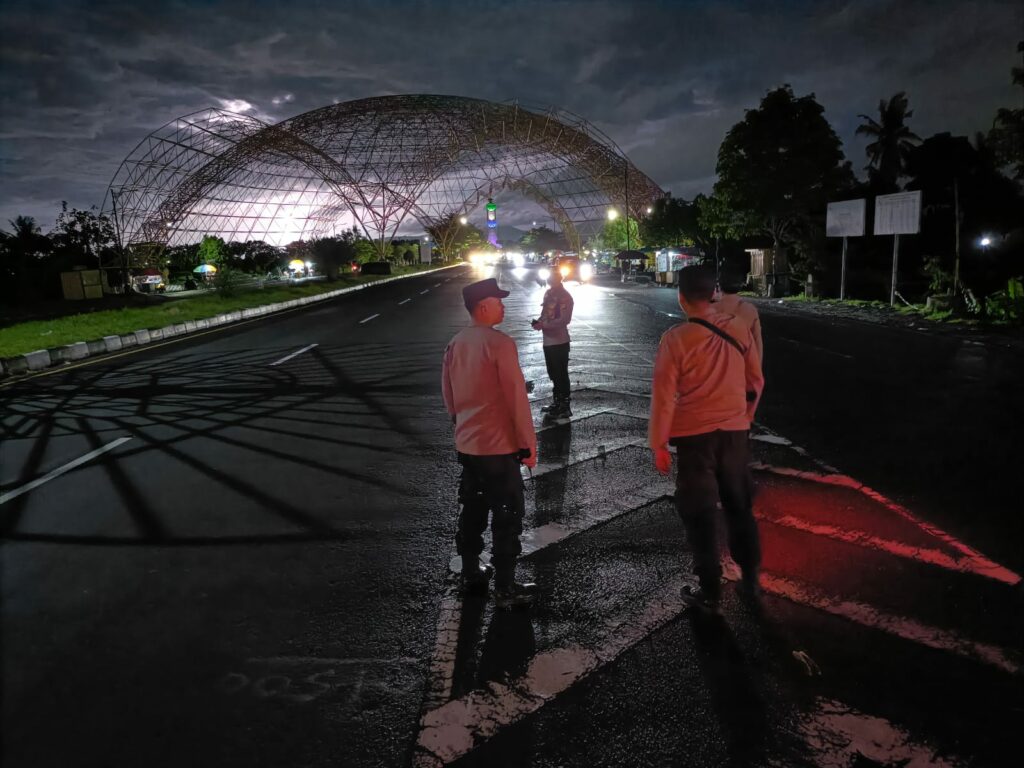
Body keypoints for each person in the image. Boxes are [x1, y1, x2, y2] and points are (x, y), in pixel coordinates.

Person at [648, 265, 765, 614]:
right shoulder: (739, 327)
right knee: (739, 507)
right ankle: (751, 580)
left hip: (693, 438)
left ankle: (710, 590)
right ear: (713, 293)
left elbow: (664, 394)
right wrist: (745, 417)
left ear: (682, 298)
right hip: (733, 434)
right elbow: (755, 380)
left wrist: (658, 442)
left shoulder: (675, 339)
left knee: (699, 512)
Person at [442, 278, 539, 609]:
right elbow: (516, 397)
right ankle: (506, 586)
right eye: (498, 301)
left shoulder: (455, 343)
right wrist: (527, 444)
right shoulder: (499, 343)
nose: (503, 305)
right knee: (508, 513)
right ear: (483, 306)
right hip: (498, 448)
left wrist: (463, 427)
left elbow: (449, 396)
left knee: (472, 508)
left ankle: (471, 572)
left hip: (468, 447)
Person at [531, 267, 574, 419]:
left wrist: (545, 325)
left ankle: (565, 406)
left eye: (553, 277)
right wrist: (539, 323)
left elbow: (564, 320)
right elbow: (545, 315)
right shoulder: (548, 293)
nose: (550, 279)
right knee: (553, 373)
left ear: (559, 278)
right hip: (548, 340)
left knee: (561, 373)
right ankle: (557, 402)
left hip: (559, 341)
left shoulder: (565, 296)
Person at [714, 271, 763, 364]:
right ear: (740, 286)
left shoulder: (710, 309)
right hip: (741, 367)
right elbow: (757, 345)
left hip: (715, 368)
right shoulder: (750, 310)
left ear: (719, 286)